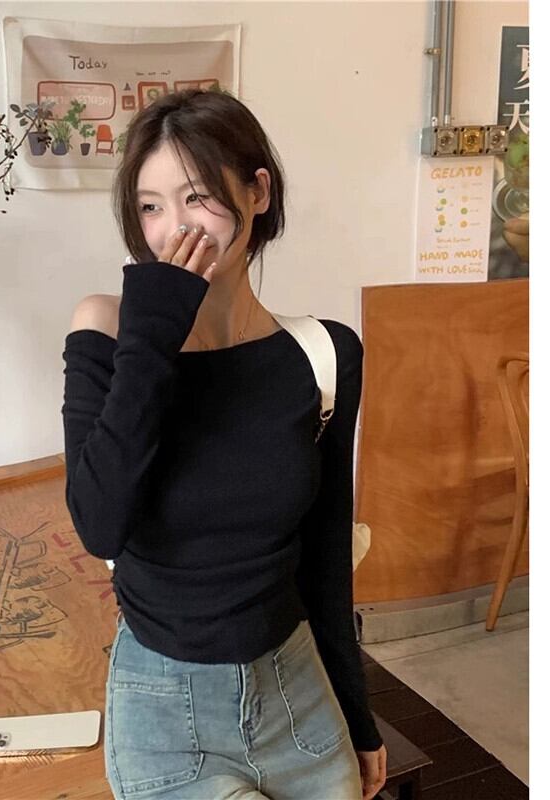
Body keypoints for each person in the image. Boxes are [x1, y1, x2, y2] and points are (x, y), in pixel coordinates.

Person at [62, 88, 387, 800]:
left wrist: (358, 717)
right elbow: (100, 523)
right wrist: (153, 330)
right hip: (163, 710)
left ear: (257, 192)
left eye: (197, 197)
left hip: (299, 697)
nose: (174, 228)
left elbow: (325, 558)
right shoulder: (107, 331)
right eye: (151, 207)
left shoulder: (324, 355)